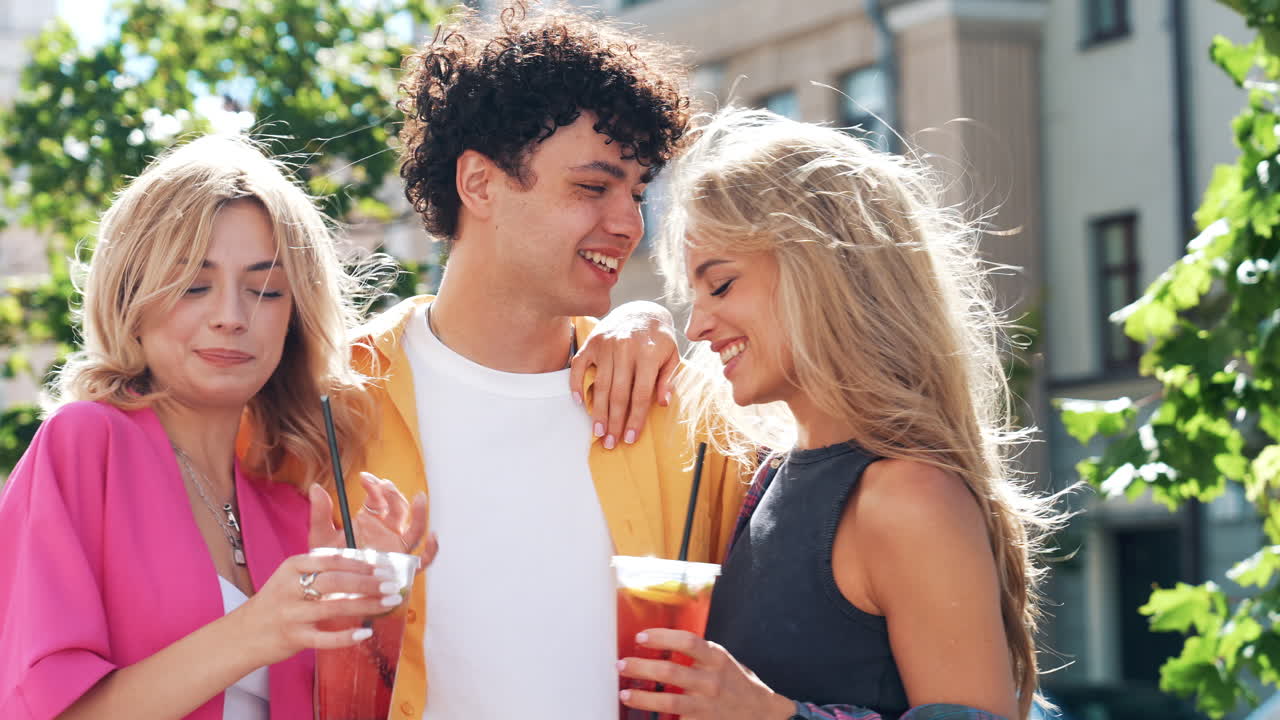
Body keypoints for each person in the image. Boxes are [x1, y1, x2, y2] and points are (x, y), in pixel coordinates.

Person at [271, 3, 753, 718]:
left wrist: (649, 320)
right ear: (480, 184)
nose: (628, 223)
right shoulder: (327, 399)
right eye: (593, 187)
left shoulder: (681, 414)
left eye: (638, 191)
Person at [617, 107, 1067, 720]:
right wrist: (631, 322)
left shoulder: (909, 497)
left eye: (720, 286)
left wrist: (769, 715)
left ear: (821, 271)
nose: (696, 324)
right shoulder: (765, 474)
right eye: (689, 298)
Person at [0, 135, 432, 720]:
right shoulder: (85, 444)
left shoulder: (293, 500)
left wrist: (372, 609)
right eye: (194, 286)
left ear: (294, 316)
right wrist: (258, 630)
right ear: (133, 296)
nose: (232, 316)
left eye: (265, 290)